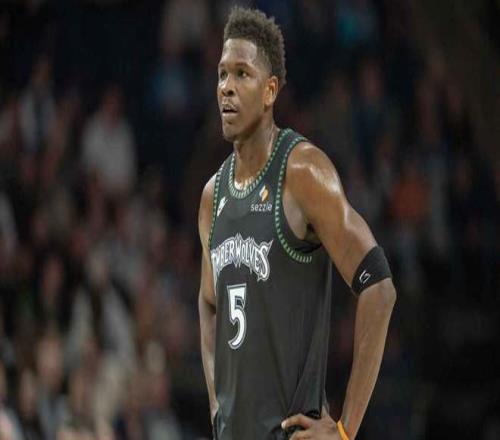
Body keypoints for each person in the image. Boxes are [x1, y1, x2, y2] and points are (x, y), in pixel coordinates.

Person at [198, 7, 396, 440]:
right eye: (222, 74)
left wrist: (345, 430)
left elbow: (379, 288)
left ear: (270, 90)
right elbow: (209, 303)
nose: (226, 87)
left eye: (242, 74)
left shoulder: (302, 171)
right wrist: (216, 406)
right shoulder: (213, 196)